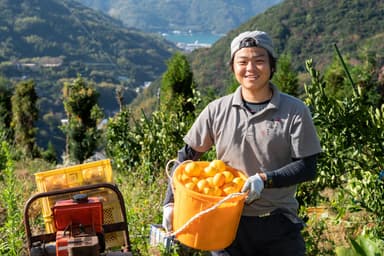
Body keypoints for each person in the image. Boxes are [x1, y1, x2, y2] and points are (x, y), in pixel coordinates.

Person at [162, 30, 322, 256]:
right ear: (233, 67)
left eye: (259, 61)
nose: (250, 68)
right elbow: (186, 156)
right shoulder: (217, 110)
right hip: (223, 222)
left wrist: (264, 180)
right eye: (243, 61)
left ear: (271, 66)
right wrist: (170, 202)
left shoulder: (294, 111)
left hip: (277, 224)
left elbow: (307, 167)